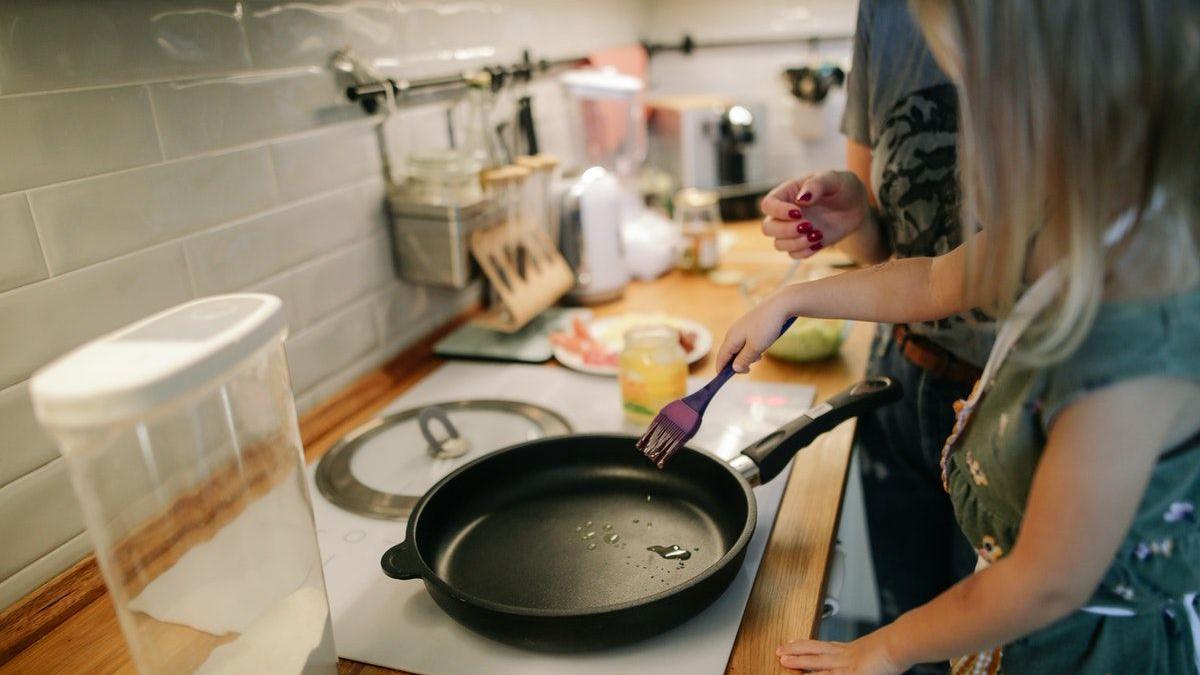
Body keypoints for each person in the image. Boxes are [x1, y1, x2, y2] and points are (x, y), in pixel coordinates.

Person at [721, 0, 1200, 671]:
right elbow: (934, 282)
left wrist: (885, 647)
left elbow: (1044, 581)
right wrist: (794, 298)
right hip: (1014, 625)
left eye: (981, 90)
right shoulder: (1079, 217)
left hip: (1082, 649)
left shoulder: (1134, 336)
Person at [760, 0, 982, 658]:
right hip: (903, 382)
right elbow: (911, 264)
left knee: (983, 644)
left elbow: (1044, 584)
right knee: (906, 629)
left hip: (1023, 404)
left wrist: (796, 300)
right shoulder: (887, 12)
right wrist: (852, 215)